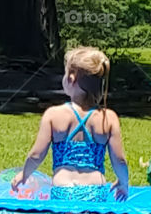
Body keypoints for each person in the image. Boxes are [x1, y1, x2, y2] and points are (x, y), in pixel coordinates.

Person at [12, 46, 128, 204]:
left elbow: (36, 155)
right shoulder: (108, 118)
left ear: (71, 79)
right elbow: (119, 160)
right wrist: (123, 182)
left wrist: (24, 174)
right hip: (95, 190)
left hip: (63, 189)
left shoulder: (53, 115)